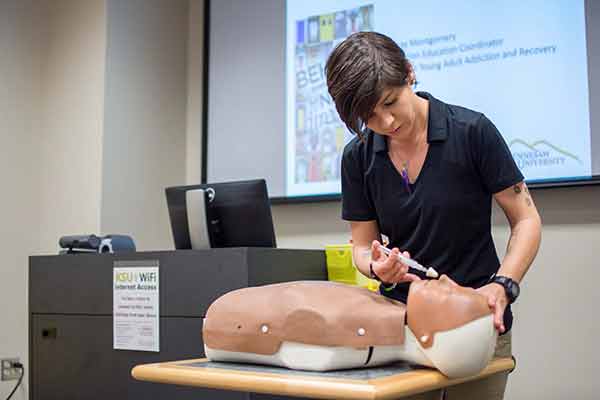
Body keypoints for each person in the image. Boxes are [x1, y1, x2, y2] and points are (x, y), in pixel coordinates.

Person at [325, 31, 542, 400]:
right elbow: (362, 248)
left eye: (391, 102)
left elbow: (526, 220)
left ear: (409, 73)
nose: (387, 121)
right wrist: (377, 266)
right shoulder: (357, 157)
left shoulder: (472, 132)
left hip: (477, 317)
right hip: (400, 327)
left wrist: (504, 285)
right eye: (370, 116)